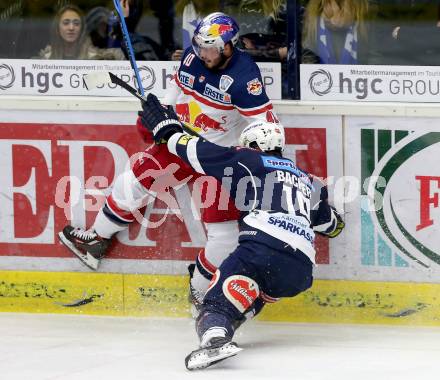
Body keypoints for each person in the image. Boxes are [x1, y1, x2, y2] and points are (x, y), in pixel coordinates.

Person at [58, 13, 279, 316]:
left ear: (229, 46)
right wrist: (160, 110)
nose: (203, 54)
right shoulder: (193, 57)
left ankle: (202, 295)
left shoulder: (244, 77)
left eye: (210, 49)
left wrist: (256, 159)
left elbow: (267, 127)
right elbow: (175, 91)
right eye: (200, 47)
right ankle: (96, 240)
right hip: (183, 142)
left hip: (221, 156)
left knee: (224, 235)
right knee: (135, 176)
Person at [138, 93, 345, 370]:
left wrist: (167, 129)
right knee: (247, 293)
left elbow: (197, 152)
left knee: (216, 303)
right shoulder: (307, 180)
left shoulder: (248, 160)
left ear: (254, 145)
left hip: (261, 250)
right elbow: (331, 226)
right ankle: (231, 319)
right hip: (300, 271)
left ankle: (213, 338)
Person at [38, 4, 124, 60]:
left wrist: (124, 19)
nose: (71, 28)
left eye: (76, 23)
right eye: (66, 23)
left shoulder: (96, 56)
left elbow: (123, 57)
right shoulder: (44, 59)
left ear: (82, 29)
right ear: (57, 28)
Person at [301, 0, 372, 64]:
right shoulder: (313, 15)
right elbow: (307, 59)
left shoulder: (367, 17)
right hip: (322, 76)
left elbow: (376, 61)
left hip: (357, 77)